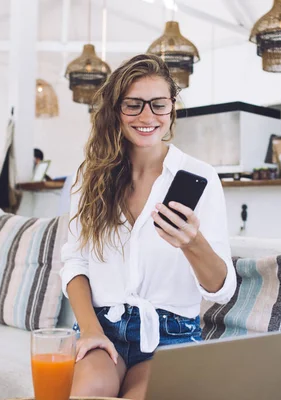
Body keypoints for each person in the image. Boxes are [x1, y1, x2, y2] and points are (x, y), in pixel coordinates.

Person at [60, 54, 237, 400]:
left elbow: (222, 289)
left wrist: (192, 243)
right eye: (134, 105)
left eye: (158, 105)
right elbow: (75, 262)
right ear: (116, 109)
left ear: (172, 108)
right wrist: (90, 332)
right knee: (88, 392)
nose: (146, 117)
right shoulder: (90, 177)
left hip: (171, 336)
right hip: (102, 326)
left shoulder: (201, 177)